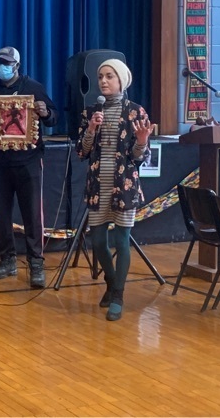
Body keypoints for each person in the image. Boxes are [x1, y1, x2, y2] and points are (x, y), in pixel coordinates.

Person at [0, 46, 57, 288]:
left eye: (7, 63)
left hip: (28, 161)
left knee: (32, 213)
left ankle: (36, 262)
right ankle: (7, 259)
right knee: (1, 213)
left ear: (17, 66)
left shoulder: (33, 88)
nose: (2, 67)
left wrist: (45, 111)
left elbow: (54, 117)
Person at [75, 58, 153, 321]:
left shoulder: (135, 112)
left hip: (125, 187)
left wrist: (142, 142)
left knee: (121, 240)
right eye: (100, 77)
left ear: (121, 80)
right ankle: (111, 281)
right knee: (98, 241)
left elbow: (139, 157)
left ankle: (118, 294)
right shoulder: (90, 112)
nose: (104, 81)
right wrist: (91, 129)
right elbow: (82, 152)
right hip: (98, 185)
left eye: (109, 76)